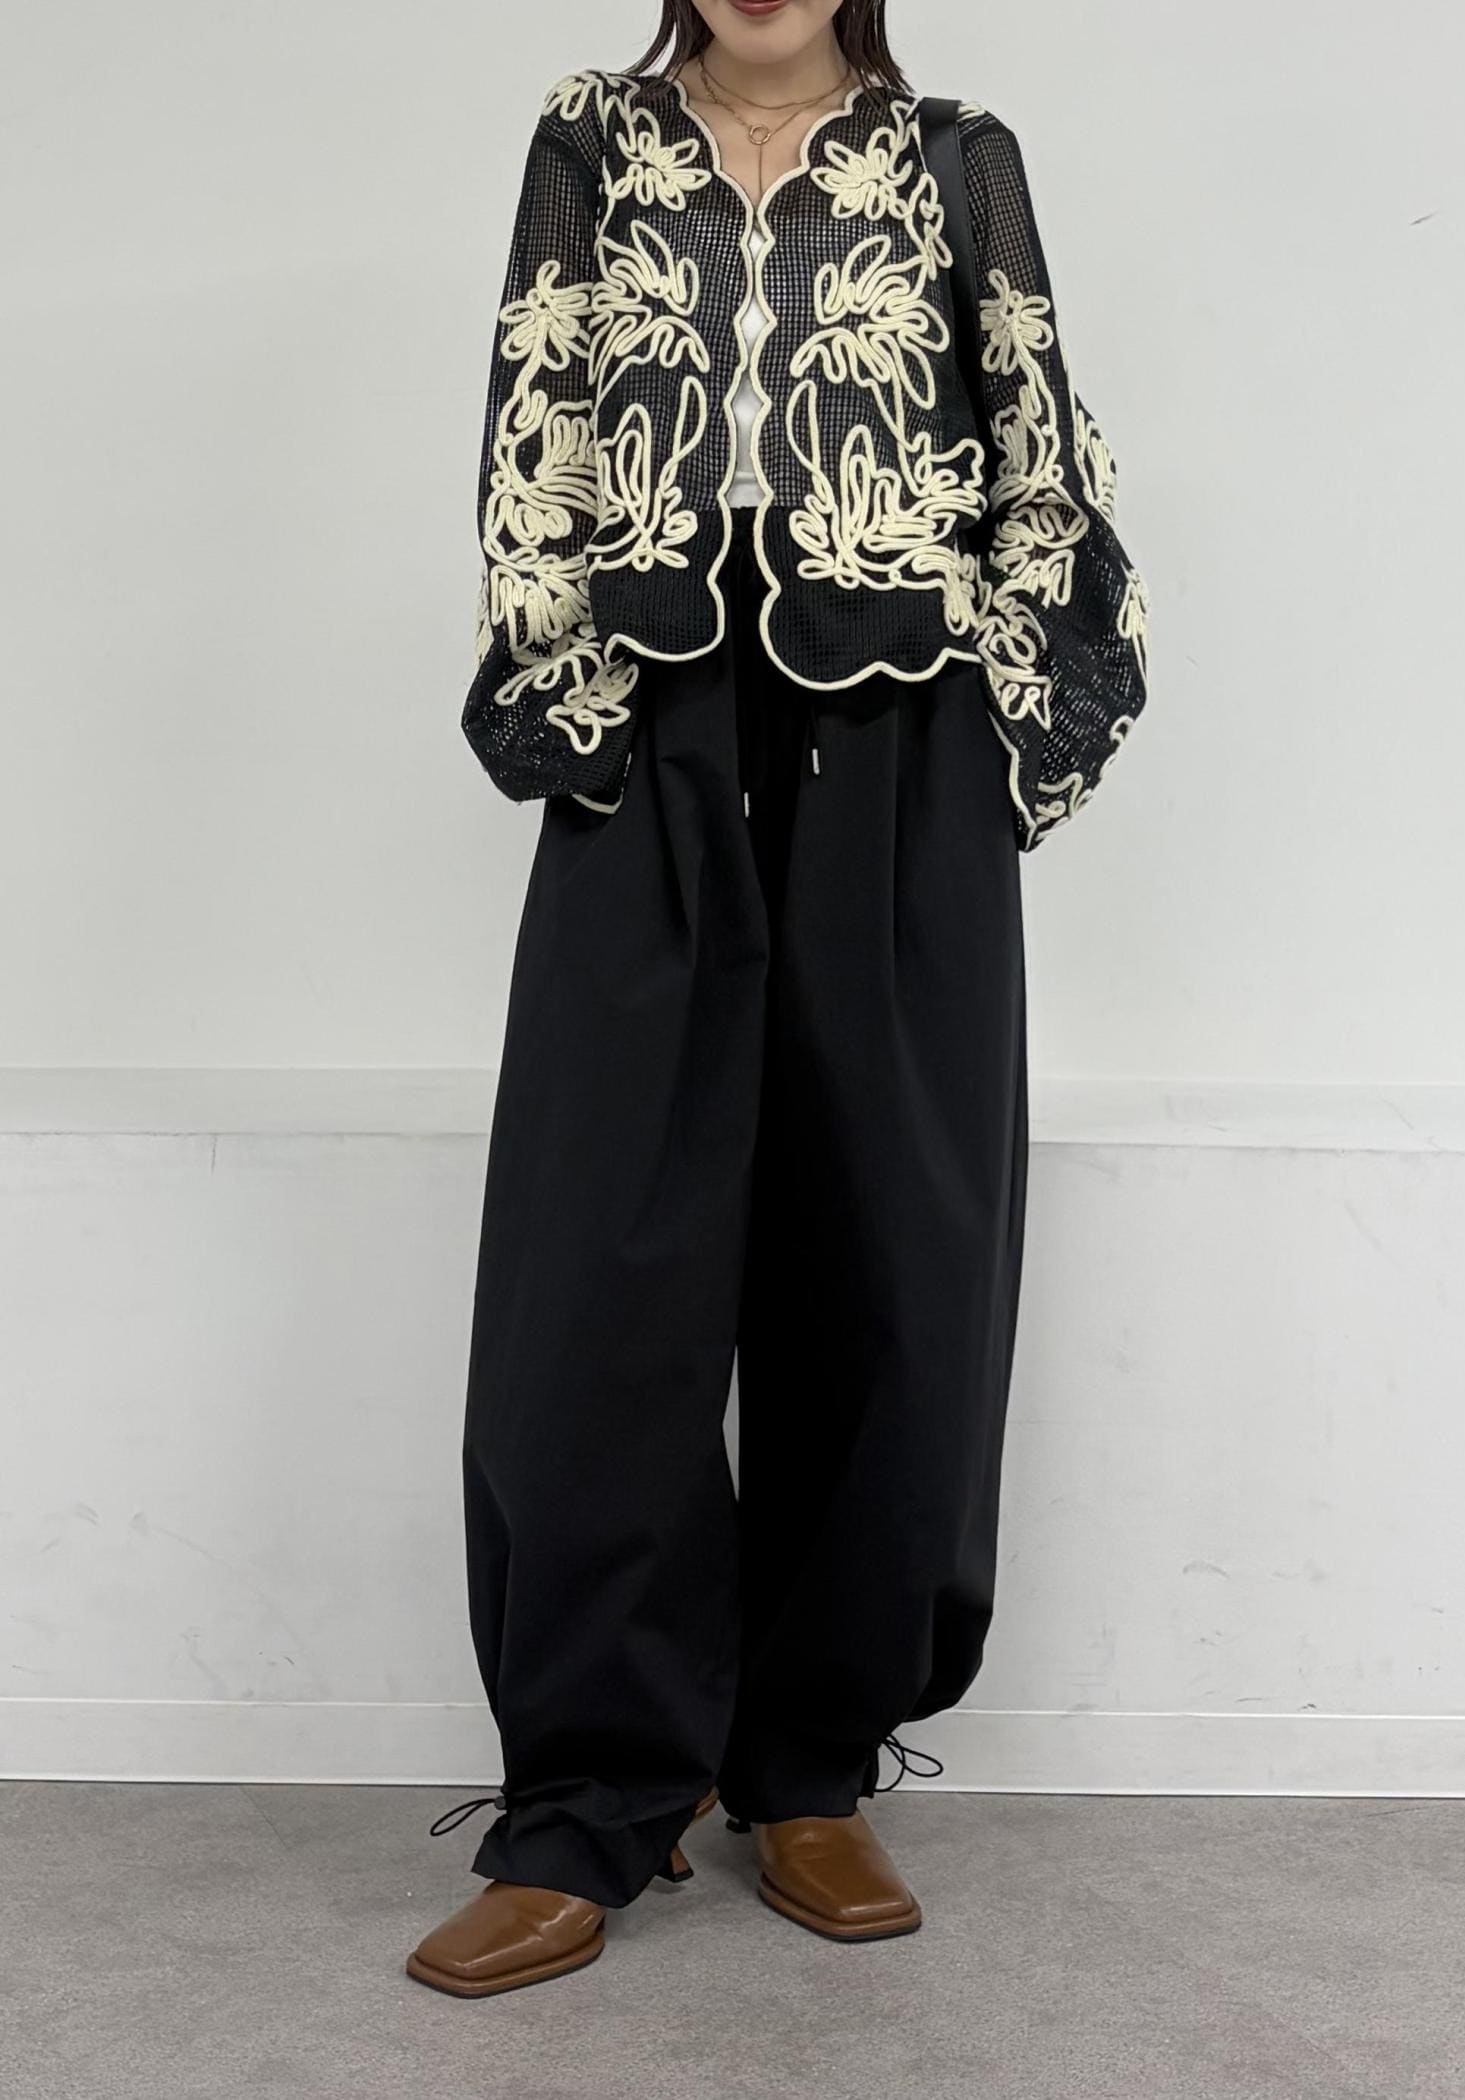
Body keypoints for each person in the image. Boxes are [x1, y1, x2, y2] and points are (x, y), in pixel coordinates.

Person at [407, 0, 1149, 1998]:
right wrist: (565, 701)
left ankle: (809, 1766)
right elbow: (534, 422)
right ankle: (591, 1797)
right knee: (597, 1267)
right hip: (645, 729)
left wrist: (1013, 738)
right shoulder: (593, 141)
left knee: (891, 1249)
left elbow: (1041, 448)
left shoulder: (957, 156)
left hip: (900, 740)